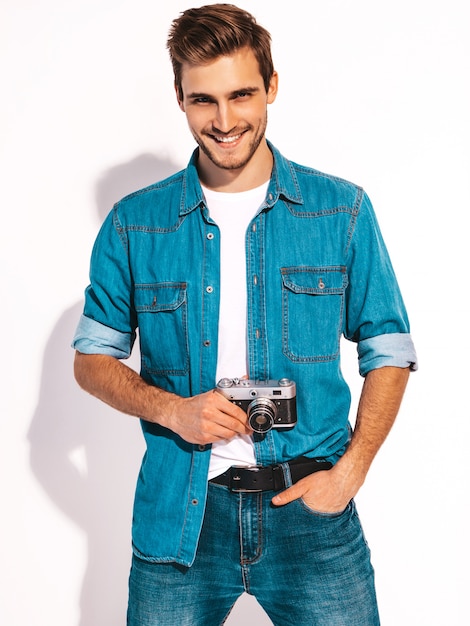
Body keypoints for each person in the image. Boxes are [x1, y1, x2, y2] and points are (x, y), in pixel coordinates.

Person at [72, 4, 417, 625]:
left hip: (311, 515)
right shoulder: (134, 223)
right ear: (179, 97)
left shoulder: (340, 212)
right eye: (204, 100)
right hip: (181, 514)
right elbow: (92, 361)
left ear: (272, 88)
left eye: (241, 95)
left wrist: (352, 470)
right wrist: (173, 410)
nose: (225, 121)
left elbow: (389, 350)